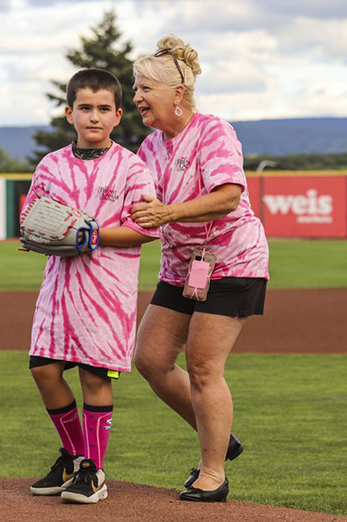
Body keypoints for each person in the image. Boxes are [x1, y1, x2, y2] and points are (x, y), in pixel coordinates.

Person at [131, 35, 270, 503]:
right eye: (135, 88)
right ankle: (219, 433)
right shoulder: (150, 147)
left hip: (232, 261)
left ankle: (213, 473)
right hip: (180, 266)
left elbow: (228, 195)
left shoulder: (214, 131)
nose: (136, 98)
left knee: (204, 366)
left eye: (145, 87)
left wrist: (168, 213)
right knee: (149, 359)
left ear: (178, 93)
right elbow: (138, 209)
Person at [22, 68, 160, 504]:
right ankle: (73, 458)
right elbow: (35, 222)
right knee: (43, 369)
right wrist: (39, 236)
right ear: (69, 113)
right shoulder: (51, 165)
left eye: (104, 109)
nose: (94, 116)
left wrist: (88, 233)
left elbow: (145, 229)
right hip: (59, 286)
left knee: (93, 375)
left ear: (118, 115)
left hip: (106, 288)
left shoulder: (131, 166)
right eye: (85, 108)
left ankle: (93, 473)